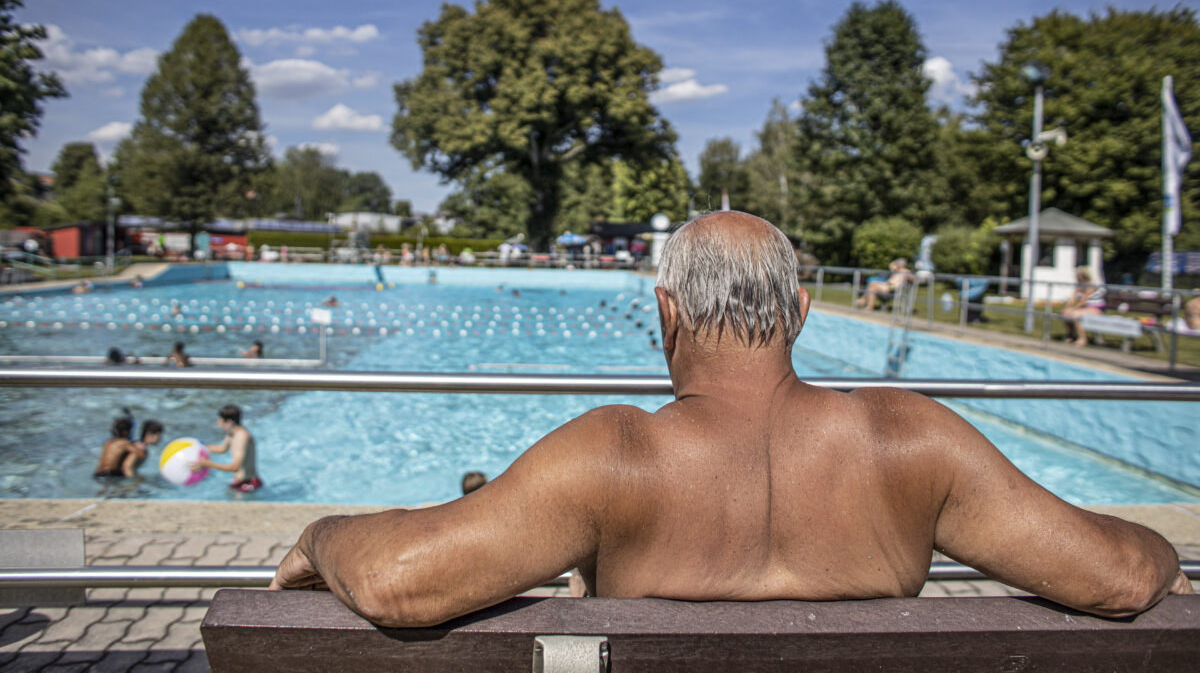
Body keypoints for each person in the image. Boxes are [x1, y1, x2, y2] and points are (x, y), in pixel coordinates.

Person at [271, 212, 1190, 627]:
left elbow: (397, 582)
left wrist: (323, 531)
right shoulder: (914, 439)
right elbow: (1112, 578)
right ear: (797, 314)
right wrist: (1165, 556)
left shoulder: (612, 454)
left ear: (666, 314)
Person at [192, 404, 261, 492]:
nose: (218, 423)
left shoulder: (241, 438)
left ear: (229, 422)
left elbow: (235, 467)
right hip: (239, 481)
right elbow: (222, 449)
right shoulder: (232, 433)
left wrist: (207, 463)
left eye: (220, 420)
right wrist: (199, 446)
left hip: (248, 484)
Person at [1061, 267, 1106, 346]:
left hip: (1095, 309)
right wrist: (1067, 307)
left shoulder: (1091, 285)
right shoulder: (1079, 286)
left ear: (1083, 276)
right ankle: (1071, 334)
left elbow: (1084, 301)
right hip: (1085, 309)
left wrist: (1074, 309)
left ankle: (1083, 338)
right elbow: (1073, 299)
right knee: (1065, 313)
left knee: (1076, 315)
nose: (1076, 277)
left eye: (1078, 275)